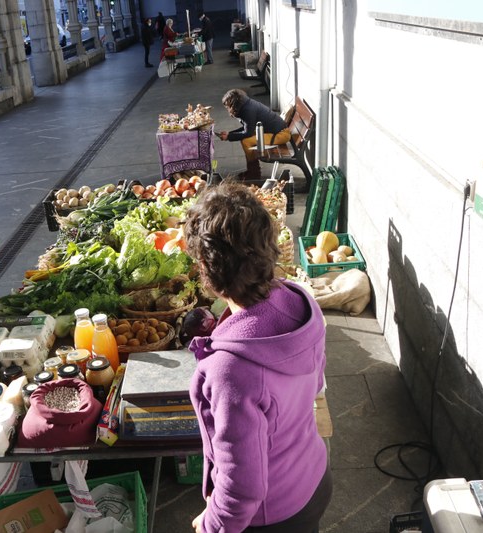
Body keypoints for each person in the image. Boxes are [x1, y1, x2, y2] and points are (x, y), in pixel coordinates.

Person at [184, 182, 332, 533]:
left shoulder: (230, 369)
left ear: (205, 266)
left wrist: (211, 525)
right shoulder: (301, 303)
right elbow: (315, 386)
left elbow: (242, 489)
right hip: (314, 479)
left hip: (272, 515)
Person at [217, 88, 291, 181]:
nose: (227, 109)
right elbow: (248, 128)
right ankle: (252, 171)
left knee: (246, 141)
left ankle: (254, 173)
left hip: (280, 134)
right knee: (246, 140)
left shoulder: (248, 110)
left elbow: (248, 133)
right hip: (273, 131)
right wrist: (229, 134)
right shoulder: (246, 104)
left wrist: (229, 137)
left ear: (233, 104)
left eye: (227, 106)